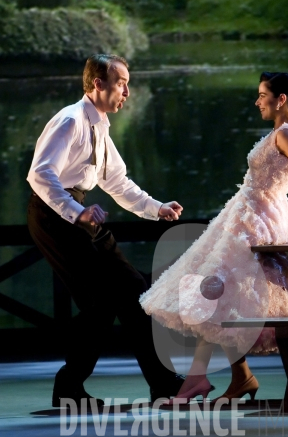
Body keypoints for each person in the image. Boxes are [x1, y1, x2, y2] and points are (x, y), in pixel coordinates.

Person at [140, 71, 288, 404]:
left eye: (262, 95)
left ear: (281, 99)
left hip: (257, 218)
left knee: (212, 286)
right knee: (213, 288)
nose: (257, 101)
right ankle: (227, 377)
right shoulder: (287, 133)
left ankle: (207, 378)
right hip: (247, 213)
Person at [27, 53, 184, 407]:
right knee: (99, 303)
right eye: (121, 83)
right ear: (98, 84)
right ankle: (68, 387)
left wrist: (156, 208)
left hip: (81, 213)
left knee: (134, 289)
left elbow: (117, 182)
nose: (127, 91)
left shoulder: (98, 124)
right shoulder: (70, 121)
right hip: (54, 215)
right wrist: (76, 211)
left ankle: (163, 383)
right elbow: (39, 174)